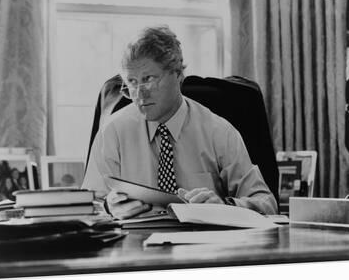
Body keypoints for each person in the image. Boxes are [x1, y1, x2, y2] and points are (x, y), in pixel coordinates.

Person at [82, 25, 277, 219]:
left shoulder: (218, 130)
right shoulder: (113, 131)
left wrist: (225, 206)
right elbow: (88, 207)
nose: (140, 94)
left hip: (203, 244)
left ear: (177, 74)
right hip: (135, 245)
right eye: (132, 82)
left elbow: (266, 203)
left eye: (148, 79)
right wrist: (108, 207)